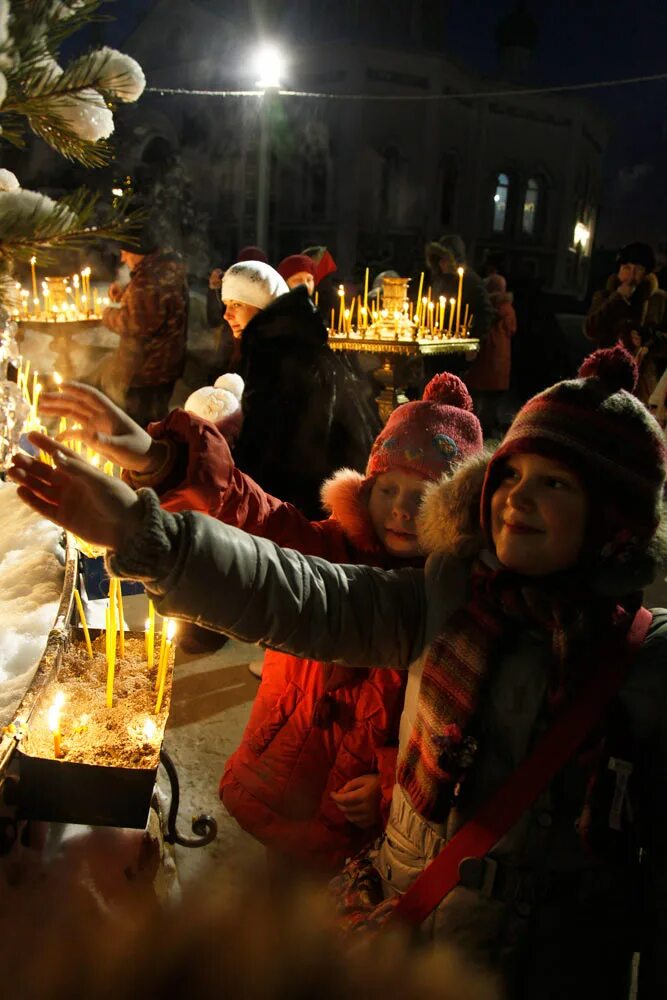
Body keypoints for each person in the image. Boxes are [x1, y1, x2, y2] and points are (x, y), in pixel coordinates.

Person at [12, 347, 667, 998]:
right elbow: (294, 589)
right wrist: (142, 524)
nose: (517, 499)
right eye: (512, 475)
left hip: (559, 969)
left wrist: (384, 787)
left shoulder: (644, 661)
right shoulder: (451, 602)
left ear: (613, 515)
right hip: (409, 939)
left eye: (554, 483)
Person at [34, 374, 484, 874]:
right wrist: (160, 458)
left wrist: (391, 779)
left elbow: (445, 725)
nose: (400, 509)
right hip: (289, 766)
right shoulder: (325, 548)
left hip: (362, 810)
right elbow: (253, 516)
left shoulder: (452, 608)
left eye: (421, 498)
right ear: (365, 488)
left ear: (451, 512)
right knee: (280, 887)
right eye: (388, 489)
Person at [222, 260, 379, 518]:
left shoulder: (278, 352)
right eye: (226, 305)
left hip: (303, 504)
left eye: (236, 304)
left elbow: (273, 443)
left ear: (261, 305)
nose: (226, 315)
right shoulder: (290, 341)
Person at [93, 234, 188, 426]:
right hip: (166, 364)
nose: (122, 259)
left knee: (142, 423)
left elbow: (137, 324)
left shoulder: (148, 280)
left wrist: (108, 314)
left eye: (125, 252)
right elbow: (154, 304)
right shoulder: (165, 268)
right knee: (154, 417)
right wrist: (127, 292)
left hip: (148, 369)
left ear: (138, 251)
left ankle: (149, 454)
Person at [585, 242, 667, 358]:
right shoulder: (605, 296)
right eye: (626, 268)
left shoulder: (659, 300)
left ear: (646, 273)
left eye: (638, 269)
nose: (631, 275)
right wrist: (618, 298)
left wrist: (648, 339)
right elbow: (591, 330)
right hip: (609, 367)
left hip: (644, 371)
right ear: (619, 270)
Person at [464, 274, 517, 437]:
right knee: (490, 403)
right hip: (500, 363)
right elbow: (512, 329)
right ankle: (485, 431)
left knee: (477, 401)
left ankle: (474, 430)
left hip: (483, 360)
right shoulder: (507, 308)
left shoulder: (483, 307)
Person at [425, 236, 494, 343]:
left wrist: (472, 341)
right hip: (433, 340)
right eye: (439, 259)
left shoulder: (470, 281)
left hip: (457, 345)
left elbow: (486, 313)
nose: (441, 263)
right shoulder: (438, 279)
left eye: (444, 259)